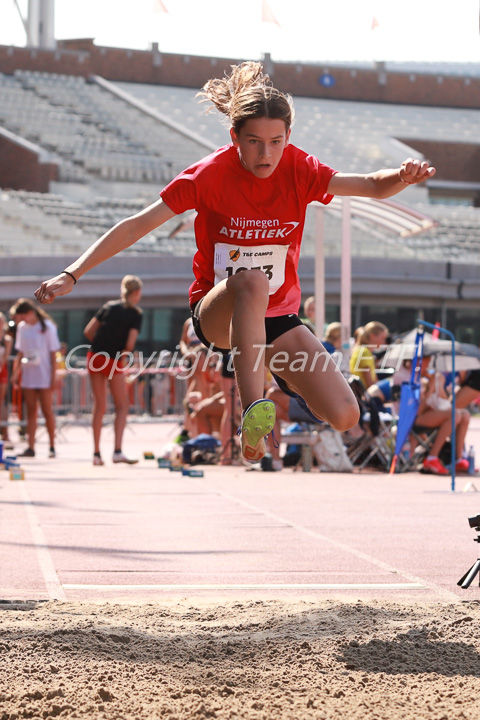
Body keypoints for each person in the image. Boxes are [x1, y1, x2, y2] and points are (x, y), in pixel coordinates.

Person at [34, 62, 435, 464]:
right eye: (254, 142)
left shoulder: (300, 168)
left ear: (288, 137)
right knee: (252, 282)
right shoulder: (208, 175)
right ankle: (253, 412)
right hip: (219, 313)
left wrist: (403, 175)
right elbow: (137, 224)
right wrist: (73, 273)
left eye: (276, 141)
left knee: (346, 415)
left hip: (277, 318)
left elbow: (370, 185)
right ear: (235, 138)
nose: (266, 154)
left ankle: (283, 380)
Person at [83, 275, 143, 466]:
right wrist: (122, 354)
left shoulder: (108, 306)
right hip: (114, 358)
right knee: (122, 405)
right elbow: (130, 344)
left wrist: (102, 344)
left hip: (95, 356)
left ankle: (96, 453)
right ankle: (117, 451)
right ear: (136, 292)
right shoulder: (136, 314)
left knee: (99, 406)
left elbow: (89, 330)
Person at [9, 299, 60, 458]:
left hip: (44, 374)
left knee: (47, 411)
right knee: (31, 412)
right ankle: (31, 447)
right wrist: (16, 372)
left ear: (29, 313)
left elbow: (53, 354)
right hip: (29, 375)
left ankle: (52, 446)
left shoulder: (47, 327)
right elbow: (20, 352)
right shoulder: (22, 328)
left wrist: (53, 376)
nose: (20, 320)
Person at [350, 321, 389, 389]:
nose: (384, 342)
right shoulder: (365, 352)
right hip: (364, 395)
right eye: (382, 338)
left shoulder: (360, 349)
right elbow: (369, 383)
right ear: (372, 336)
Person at [0, 312, 13, 448]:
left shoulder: (7, 339)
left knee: (2, 401)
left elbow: (6, 356)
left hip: (2, 370)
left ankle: (6, 433)